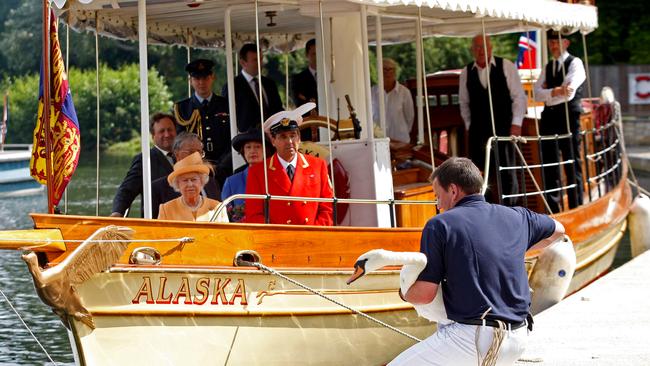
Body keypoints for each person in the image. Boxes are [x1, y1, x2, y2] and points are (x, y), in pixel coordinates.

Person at [391, 157, 565, 366]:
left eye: (438, 196)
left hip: (475, 339)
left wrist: (404, 292)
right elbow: (558, 231)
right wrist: (515, 245)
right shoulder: (517, 216)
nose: (438, 205)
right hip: (518, 337)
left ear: (453, 191)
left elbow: (425, 295)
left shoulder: (439, 225)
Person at [459, 35, 527, 201]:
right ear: (472, 51)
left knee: (507, 172)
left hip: (504, 129)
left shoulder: (506, 66)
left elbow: (519, 97)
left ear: (491, 47)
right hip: (478, 133)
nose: (481, 50)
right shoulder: (466, 73)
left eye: (484, 46)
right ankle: (485, 211)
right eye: (477, 47)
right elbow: (464, 103)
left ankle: (512, 213)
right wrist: (469, 126)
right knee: (480, 176)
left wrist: (516, 124)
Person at [244, 103, 334, 225]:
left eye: (293, 135)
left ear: (299, 138)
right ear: (273, 141)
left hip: (312, 238)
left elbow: (328, 208)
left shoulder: (318, 166)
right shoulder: (259, 172)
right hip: (278, 240)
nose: (290, 141)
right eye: (283, 137)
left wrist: (314, 234)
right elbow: (254, 215)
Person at [534, 29, 586, 213]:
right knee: (550, 164)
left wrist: (548, 93)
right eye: (551, 42)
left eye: (557, 41)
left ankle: (576, 207)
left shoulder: (576, 63)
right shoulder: (548, 67)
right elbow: (535, 93)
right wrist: (555, 91)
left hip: (568, 118)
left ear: (566, 43)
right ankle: (554, 211)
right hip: (549, 119)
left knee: (572, 163)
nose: (553, 45)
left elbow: (569, 92)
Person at [174, 59, 232, 187]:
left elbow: (232, 139)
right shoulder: (182, 109)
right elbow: (180, 143)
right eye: (197, 78)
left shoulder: (227, 105)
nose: (201, 82)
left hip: (225, 168)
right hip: (194, 170)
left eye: (205, 77)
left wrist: (220, 166)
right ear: (190, 81)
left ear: (212, 77)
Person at [110, 113, 177, 217]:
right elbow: (126, 191)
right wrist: (117, 213)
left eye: (170, 129)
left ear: (176, 132)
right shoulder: (145, 160)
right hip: (156, 224)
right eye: (161, 131)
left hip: (186, 222)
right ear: (153, 136)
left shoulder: (185, 155)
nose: (167, 134)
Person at [151, 132, 221, 219]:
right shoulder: (158, 188)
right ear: (177, 155)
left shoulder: (212, 183)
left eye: (199, 152)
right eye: (191, 152)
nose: (196, 156)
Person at [223, 43, 283, 133]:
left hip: (273, 136)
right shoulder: (232, 86)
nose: (260, 63)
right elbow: (228, 116)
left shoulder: (269, 83)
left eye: (261, 59)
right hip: (248, 139)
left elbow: (278, 109)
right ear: (243, 62)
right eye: (255, 60)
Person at [158, 152, 229, 222]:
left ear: (201, 181)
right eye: (185, 180)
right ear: (178, 184)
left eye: (194, 179)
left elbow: (226, 233)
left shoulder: (217, 207)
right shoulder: (166, 209)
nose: (190, 184)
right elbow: (161, 233)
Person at [221, 129, 267, 222]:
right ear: (243, 152)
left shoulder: (274, 177)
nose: (252, 151)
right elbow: (225, 217)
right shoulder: (231, 182)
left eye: (257, 147)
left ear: (265, 150)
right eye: (248, 147)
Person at [371, 58, 414, 144]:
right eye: (384, 69)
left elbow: (410, 117)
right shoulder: (372, 92)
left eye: (390, 69)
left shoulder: (404, 92)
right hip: (378, 142)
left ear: (395, 72)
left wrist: (401, 132)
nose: (387, 72)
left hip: (400, 141)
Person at [291, 38, 318, 141]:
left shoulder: (331, 77)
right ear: (307, 55)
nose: (317, 57)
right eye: (313, 54)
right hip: (307, 130)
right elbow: (300, 103)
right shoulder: (298, 79)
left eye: (319, 53)